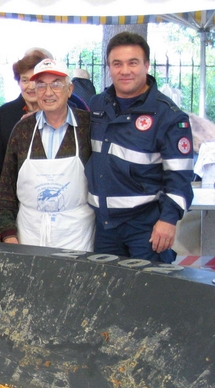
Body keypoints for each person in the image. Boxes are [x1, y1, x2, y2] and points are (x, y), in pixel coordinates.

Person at [85, 31, 194, 263]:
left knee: (148, 296)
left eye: (132, 63)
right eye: (117, 64)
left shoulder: (169, 116)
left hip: (146, 229)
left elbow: (180, 178)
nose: (125, 71)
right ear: (109, 68)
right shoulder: (97, 105)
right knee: (107, 294)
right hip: (105, 228)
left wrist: (168, 220)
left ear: (146, 65)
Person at [0, 58, 94, 250]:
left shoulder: (87, 126)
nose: (48, 93)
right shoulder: (22, 129)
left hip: (76, 235)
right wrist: (8, 233)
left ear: (70, 90)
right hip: (29, 233)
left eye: (56, 85)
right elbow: (6, 189)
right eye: (41, 85)